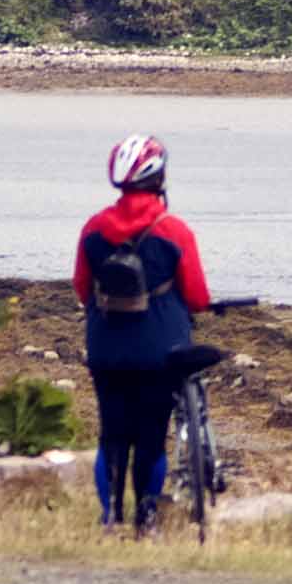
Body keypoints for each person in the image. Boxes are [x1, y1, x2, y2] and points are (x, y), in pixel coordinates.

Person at [73, 132, 210, 534]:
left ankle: (110, 515)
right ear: (158, 177)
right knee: (151, 436)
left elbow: (82, 288)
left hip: (106, 349)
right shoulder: (174, 231)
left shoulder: (93, 228)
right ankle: (146, 514)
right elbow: (198, 296)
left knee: (111, 432)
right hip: (160, 352)